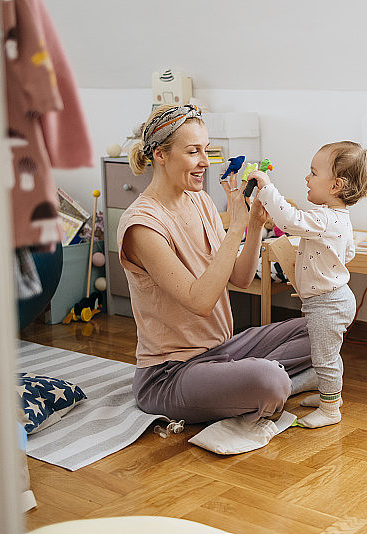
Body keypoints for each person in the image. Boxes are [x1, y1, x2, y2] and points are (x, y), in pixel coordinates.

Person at [118, 104, 316, 425]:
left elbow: (239, 277)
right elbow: (200, 301)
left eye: (206, 150)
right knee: (271, 381)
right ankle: (275, 384)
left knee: (321, 327)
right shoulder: (142, 225)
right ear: (160, 155)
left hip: (224, 348)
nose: (204, 162)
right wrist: (235, 225)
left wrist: (253, 225)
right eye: (193, 151)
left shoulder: (200, 200)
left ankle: (250, 385)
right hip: (170, 373)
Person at [249, 141, 367, 428]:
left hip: (328, 303)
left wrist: (267, 188)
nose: (307, 178)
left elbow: (291, 221)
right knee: (326, 353)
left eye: (313, 173)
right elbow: (349, 252)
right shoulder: (340, 219)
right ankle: (329, 394)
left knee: (325, 356)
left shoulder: (324, 217)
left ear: (335, 186)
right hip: (334, 299)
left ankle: (331, 409)